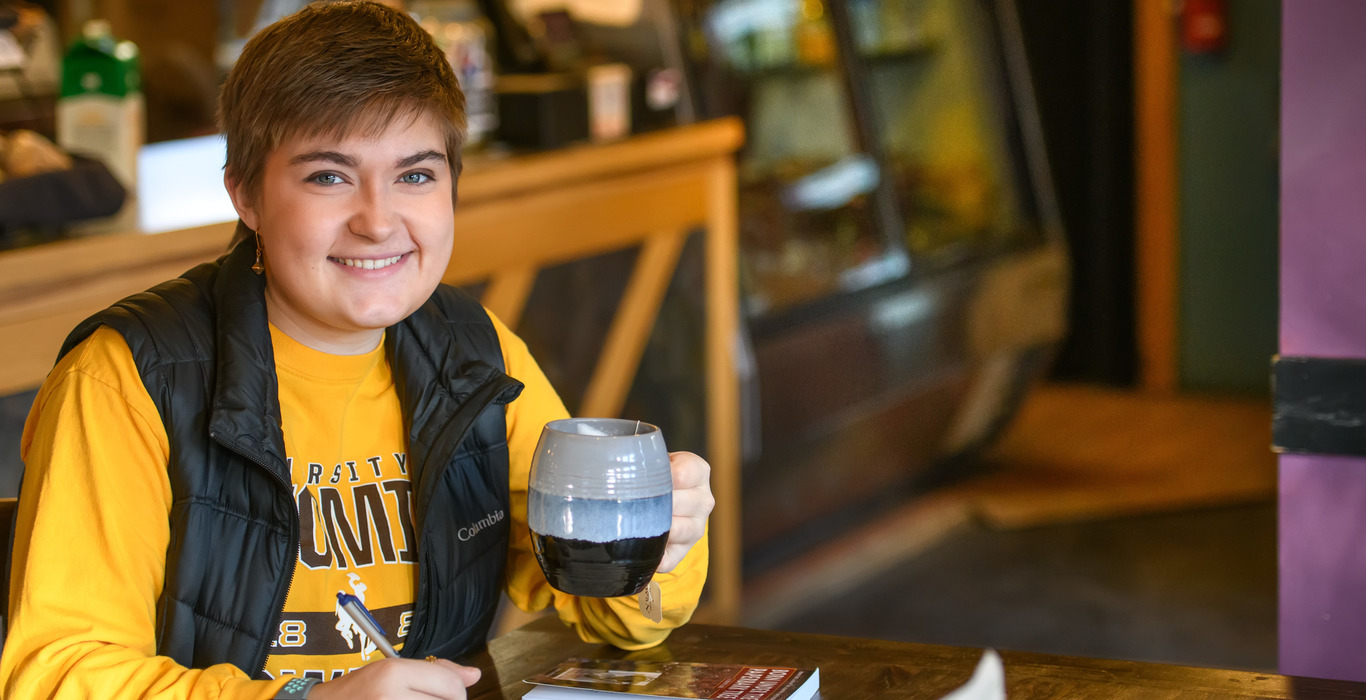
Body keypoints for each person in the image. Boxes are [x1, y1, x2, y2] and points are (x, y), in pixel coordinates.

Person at [0, 2, 714, 699]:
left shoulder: (477, 355)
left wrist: (661, 549)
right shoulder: (127, 380)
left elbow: (615, 617)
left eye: (415, 175)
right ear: (245, 194)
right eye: (329, 176)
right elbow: (57, 675)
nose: (378, 221)